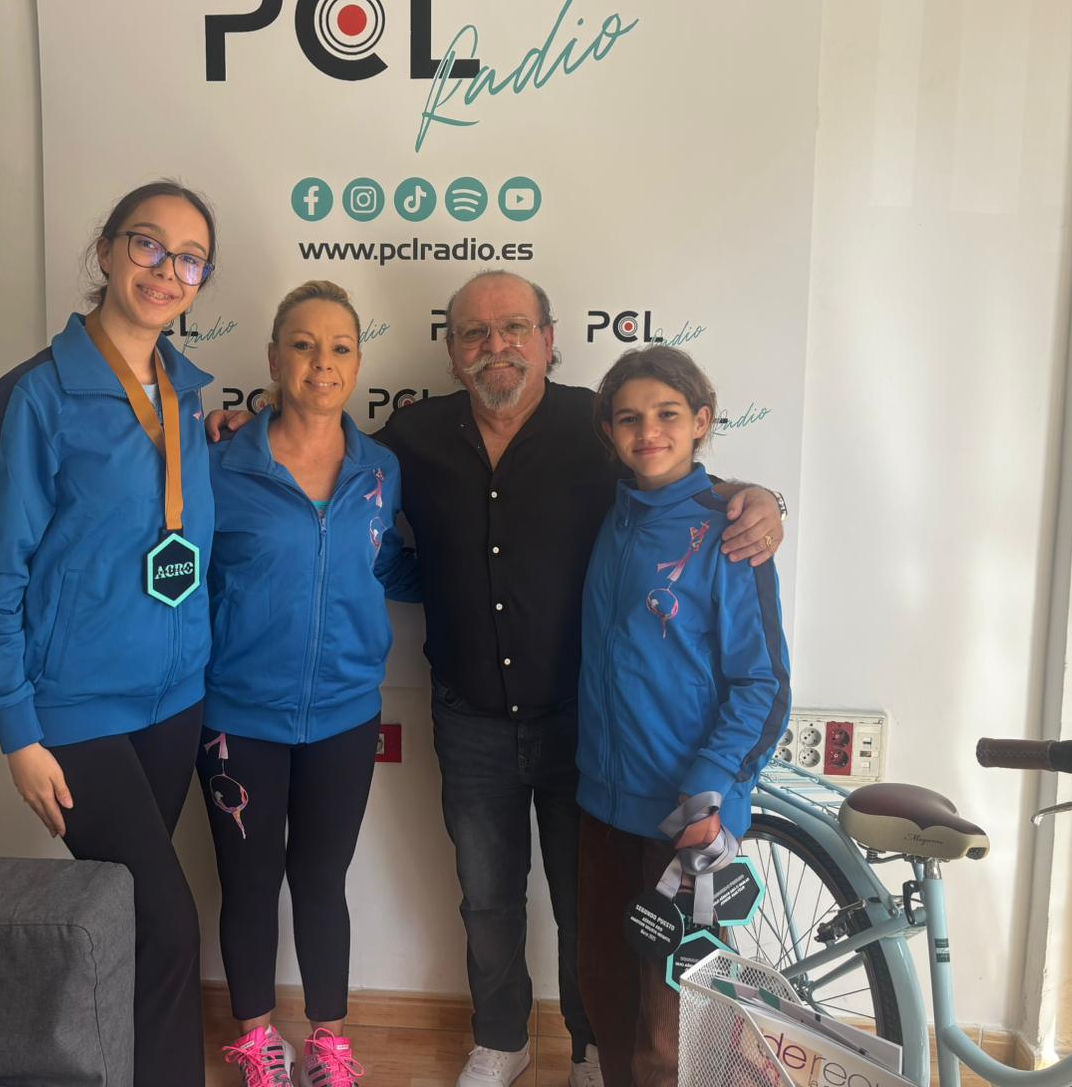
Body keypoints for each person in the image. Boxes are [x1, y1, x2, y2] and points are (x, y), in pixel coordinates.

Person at [211, 270, 785, 1087]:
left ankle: (589, 1049)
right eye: (475, 333)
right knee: (486, 898)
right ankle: (502, 1039)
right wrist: (240, 424)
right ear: (451, 351)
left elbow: (673, 480)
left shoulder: (599, 427)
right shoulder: (410, 438)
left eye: (515, 328)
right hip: (469, 714)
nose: (496, 347)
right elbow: (326, 463)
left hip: (584, 726)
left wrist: (757, 497)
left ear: (548, 341)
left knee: (587, 910)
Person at [0, 179, 219, 1087]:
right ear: (106, 250)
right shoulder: (33, 397)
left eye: (189, 259)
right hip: (74, 712)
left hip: (173, 702)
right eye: (148, 244)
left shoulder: (186, 396)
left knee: (127, 920)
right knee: (167, 927)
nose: (166, 270)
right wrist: (17, 733)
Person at [202, 281, 420, 1087]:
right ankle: (258, 1041)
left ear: (358, 364)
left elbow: (383, 564)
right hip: (238, 716)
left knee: (322, 882)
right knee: (249, 883)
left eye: (338, 347)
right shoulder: (220, 464)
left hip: (344, 716)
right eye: (302, 344)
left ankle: (329, 1043)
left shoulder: (380, 469)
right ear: (273, 358)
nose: (321, 362)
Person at [576, 346, 791, 1086]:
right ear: (609, 432)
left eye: (667, 414)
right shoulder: (614, 516)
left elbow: (763, 683)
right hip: (603, 806)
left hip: (687, 818)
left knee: (675, 1031)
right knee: (606, 995)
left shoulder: (730, 532)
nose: (649, 432)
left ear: (702, 421)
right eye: (629, 418)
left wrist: (710, 790)